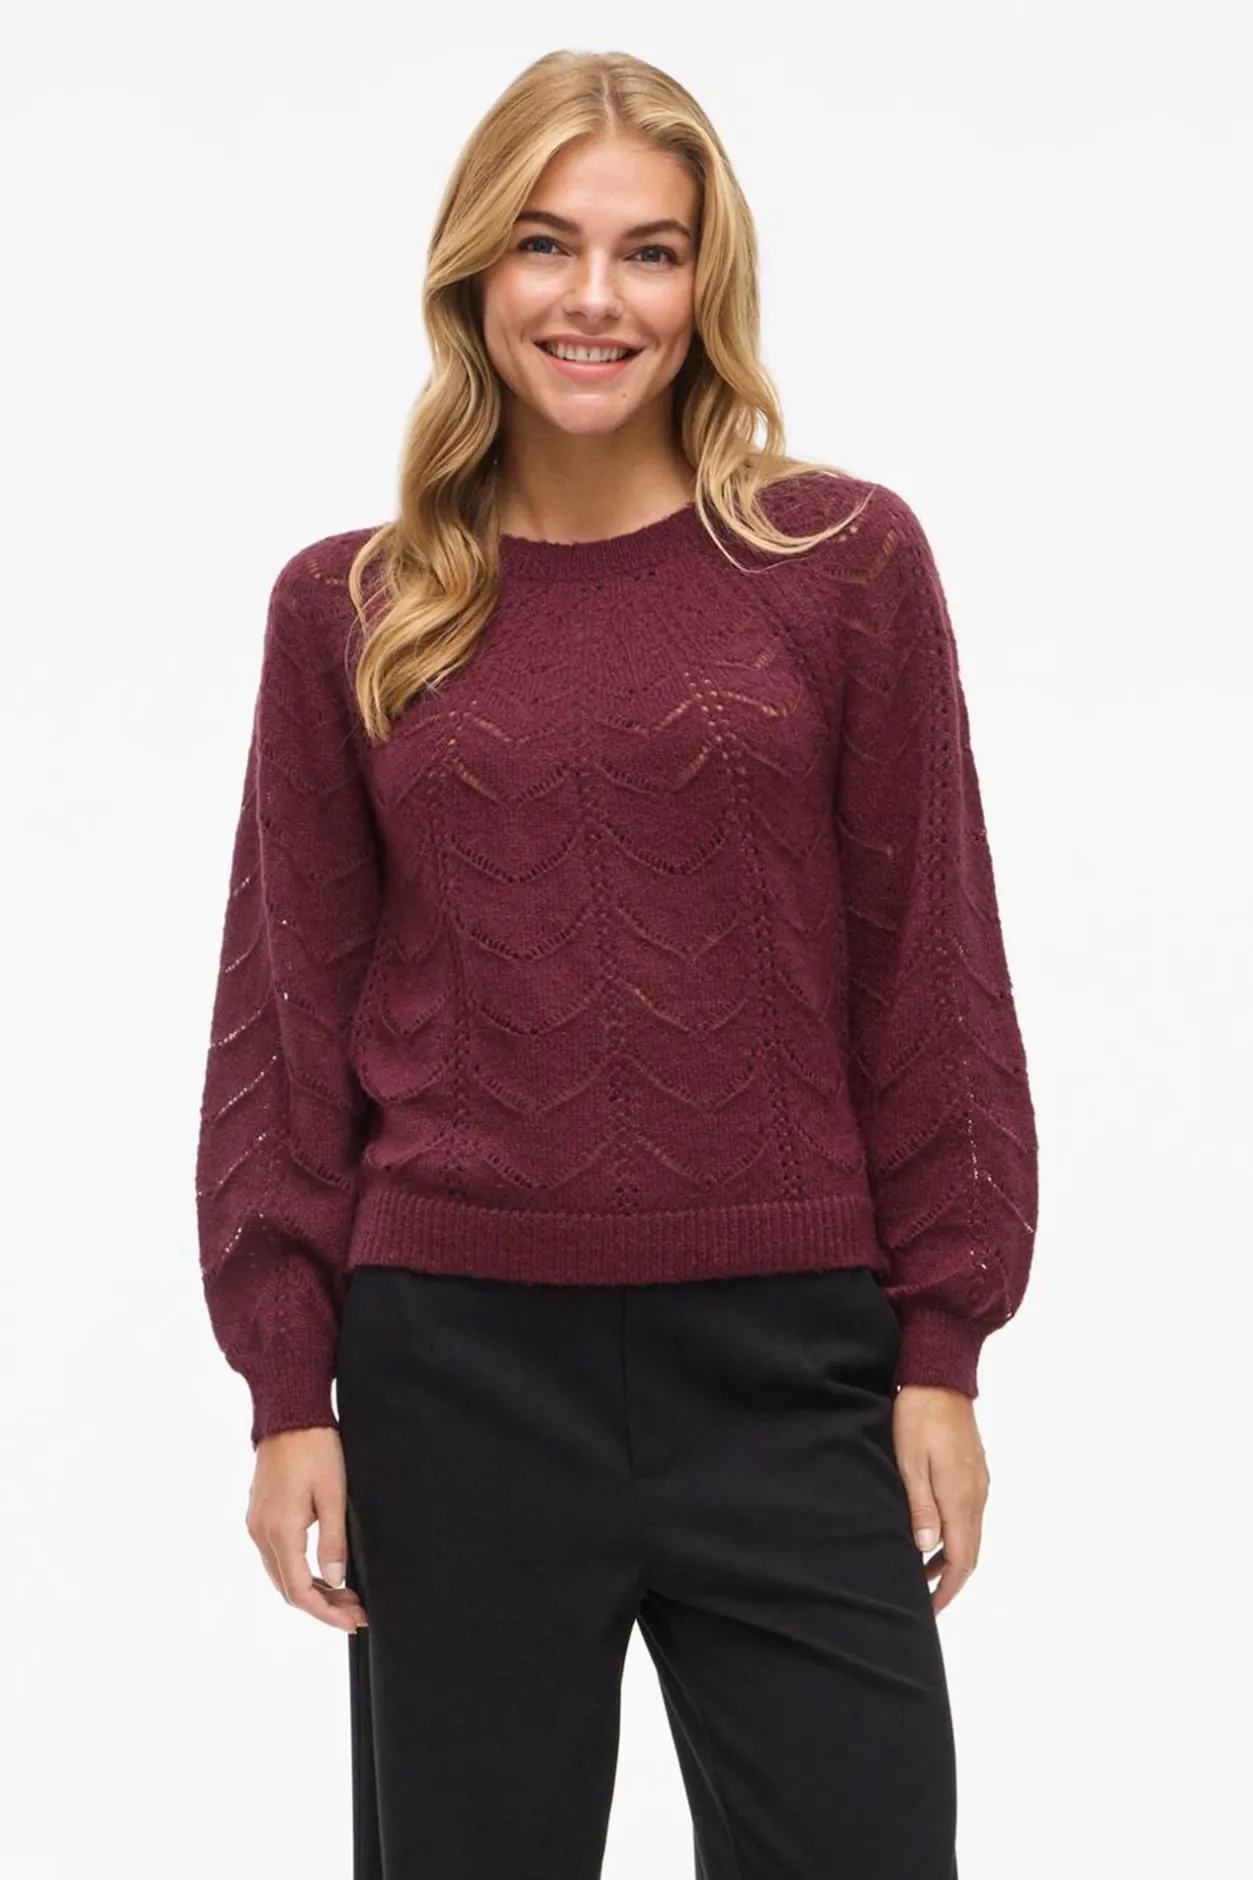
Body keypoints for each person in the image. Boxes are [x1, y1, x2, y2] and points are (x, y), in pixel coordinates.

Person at [194, 46, 1039, 1880]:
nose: (596, 298)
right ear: (473, 274)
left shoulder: (842, 566)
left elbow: (932, 972)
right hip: (456, 1375)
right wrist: (284, 1393)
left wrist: (943, 1351)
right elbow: (286, 1011)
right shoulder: (350, 607)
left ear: (704, 282)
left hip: (792, 1364)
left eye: (649, 251)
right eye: (547, 245)